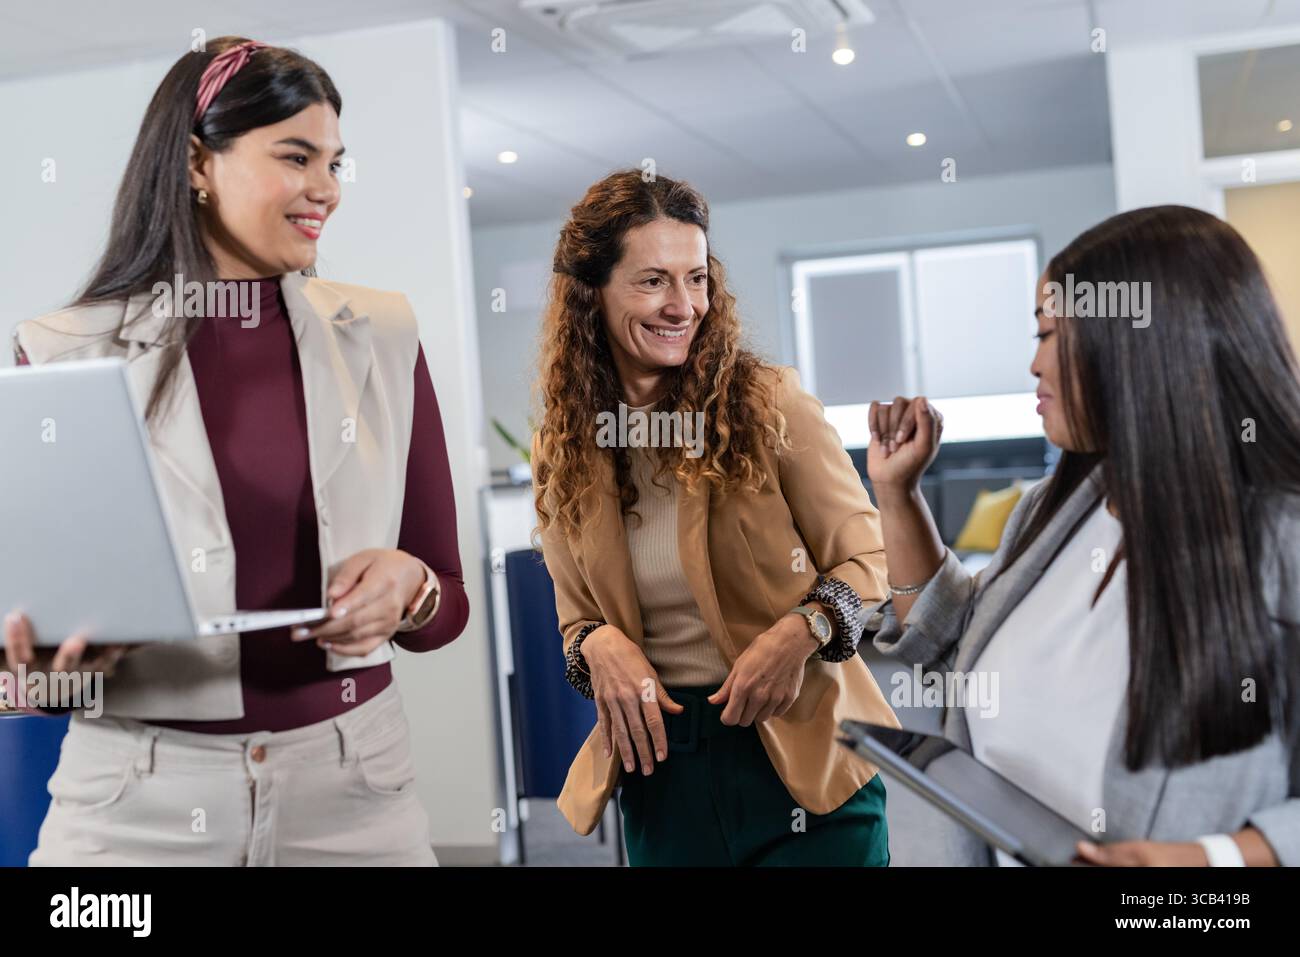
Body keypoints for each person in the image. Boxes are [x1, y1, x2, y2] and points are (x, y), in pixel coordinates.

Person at [5, 37, 468, 866]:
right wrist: (42, 670)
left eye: (335, 162)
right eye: (296, 156)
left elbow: (448, 602)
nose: (326, 189)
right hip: (132, 805)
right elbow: (28, 679)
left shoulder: (384, 334)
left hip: (355, 792)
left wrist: (415, 589)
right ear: (196, 164)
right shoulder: (60, 354)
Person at [866, 205, 1299, 866]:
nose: (1033, 365)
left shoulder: (1282, 541)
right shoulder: (1056, 507)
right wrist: (897, 494)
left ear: (1140, 344)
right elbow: (949, 652)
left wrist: (1216, 858)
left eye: (1048, 335)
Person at [531, 170, 898, 866]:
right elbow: (577, 618)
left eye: (696, 278)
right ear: (592, 294)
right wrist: (596, 645)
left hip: (805, 758)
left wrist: (803, 628)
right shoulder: (567, 444)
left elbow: (872, 562)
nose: (684, 305)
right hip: (661, 766)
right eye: (652, 281)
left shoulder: (771, 406)